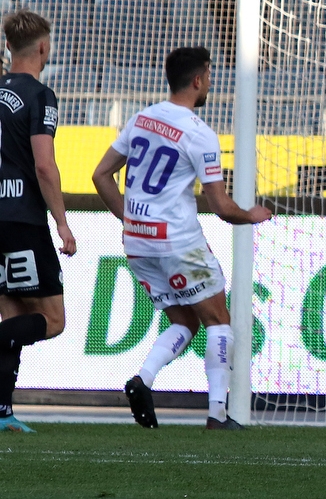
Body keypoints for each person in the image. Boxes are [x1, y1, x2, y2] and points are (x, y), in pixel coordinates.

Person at [92, 47, 272, 430]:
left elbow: (101, 175)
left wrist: (130, 219)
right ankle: (217, 415)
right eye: (208, 74)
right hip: (177, 242)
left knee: (184, 322)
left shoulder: (141, 118)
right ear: (198, 80)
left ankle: (143, 379)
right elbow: (222, 206)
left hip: (138, 242)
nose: (210, 81)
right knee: (219, 321)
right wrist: (251, 214)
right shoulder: (198, 133)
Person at [0, 10, 76, 432]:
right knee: (52, 319)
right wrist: (62, 223)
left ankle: (2, 412)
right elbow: (44, 167)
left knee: (11, 317)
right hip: (23, 219)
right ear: (43, 47)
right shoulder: (39, 96)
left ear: (8, 47)